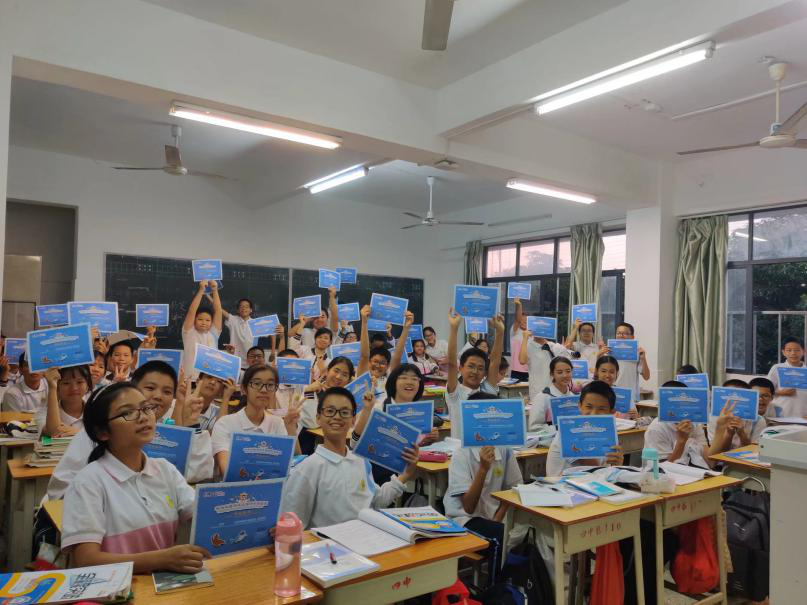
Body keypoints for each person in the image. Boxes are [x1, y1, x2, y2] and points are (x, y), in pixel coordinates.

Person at [60, 382, 211, 572]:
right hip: (118, 587)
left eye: (146, 408)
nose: (144, 417)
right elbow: (86, 560)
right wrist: (163, 560)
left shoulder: (165, 469)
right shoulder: (88, 482)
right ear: (102, 432)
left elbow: (204, 517)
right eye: (127, 413)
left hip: (164, 584)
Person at [46, 361, 202, 501]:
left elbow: (194, 478)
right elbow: (60, 491)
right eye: (150, 388)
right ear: (132, 389)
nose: (158, 396)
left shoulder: (164, 463)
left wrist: (191, 421)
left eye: (167, 392)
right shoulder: (99, 433)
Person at [279, 386, 419, 529]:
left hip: (365, 538)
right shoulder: (307, 469)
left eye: (344, 412)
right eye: (330, 411)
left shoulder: (360, 460)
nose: (337, 417)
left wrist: (405, 475)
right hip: (328, 542)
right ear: (318, 418)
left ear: (353, 420)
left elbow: (376, 500)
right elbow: (292, 526)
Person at [444, 414, 522, 582]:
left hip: (493, 517)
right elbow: (468, 507)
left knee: (525, 532)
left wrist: (498, 517)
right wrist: (483, 469)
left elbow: (512, 489)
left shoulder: (504, 449)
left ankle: (515, 587)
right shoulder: (461, 454)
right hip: (463, 519)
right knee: (500, 537)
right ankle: (494, 590)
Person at [211, 365, 300, 477]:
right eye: (257, 384)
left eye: (270, 385)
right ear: (244, 389)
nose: (264, 390)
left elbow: (294, 462)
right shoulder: (225, 424)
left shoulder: (278, 423)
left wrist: (291, 428)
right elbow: (226, 471)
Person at [445, 310, 504, 438]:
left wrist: (500, 331)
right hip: (460, 448)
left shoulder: (487, 390)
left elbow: (495, 362)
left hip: (486, 446)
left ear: (485, 372)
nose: (475, 371)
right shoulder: (456, 393)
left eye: (480, 368)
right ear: (461, 368)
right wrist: (454, 328)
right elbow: (451, 363)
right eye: (471, 366)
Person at [546, 380, 624, 476]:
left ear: (611, 412)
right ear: (580, 406)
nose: (593, 414)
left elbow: (606, 471)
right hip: (560, 484)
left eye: (601, 409)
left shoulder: (607, 435)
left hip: (588, 482)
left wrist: (617, 465)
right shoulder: (570, 432)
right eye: (589, 407)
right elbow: (595, 471)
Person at [644, 380, 711, 468]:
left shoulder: (695, 423)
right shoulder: (656, 428)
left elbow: (710, 462)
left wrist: (720, 430)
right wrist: (681, 441)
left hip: (693, 470)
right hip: (666, 473)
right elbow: (662, 469)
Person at [708, 379, 766, 455]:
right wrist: (729, 434)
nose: (734, 403)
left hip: (745, 460)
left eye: (739, 398)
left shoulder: (758, 420)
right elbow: (715, 455)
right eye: (729, 398)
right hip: (720, 460)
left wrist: (742, 433)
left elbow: (754, 452)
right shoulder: (714, 418)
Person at [182, 280, 223, 380]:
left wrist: (215, 290)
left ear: (211, 322)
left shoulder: (213, 334)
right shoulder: (189, 332)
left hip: (209, 380)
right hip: (190, 379)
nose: (204, 322)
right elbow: (192, 311)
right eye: (200, 319)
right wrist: (201, 290)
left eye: (207, 320)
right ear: (194, 320)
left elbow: (218, 311)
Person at [602, 322, 650, 403]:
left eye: (625, 333)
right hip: (611, 394)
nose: (621, 336)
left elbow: (646, 377)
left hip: (630, 396)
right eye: (618, 333)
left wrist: (643, 358)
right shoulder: (608, 353)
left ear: (632, 337)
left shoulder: (637, 353)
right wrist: (600, 354)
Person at [518, 326, 569, 402]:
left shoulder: (552, 346)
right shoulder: (529, 346)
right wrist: (525, 338)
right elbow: (522, 361)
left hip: (555, 391)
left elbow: (567, 353)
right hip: (538, 391)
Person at [40, 366, 91, 437]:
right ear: (57, 387)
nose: (74, 388)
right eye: (66, 383)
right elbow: (53, 432)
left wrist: (79, 433)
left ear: (87, 385)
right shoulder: (45, 412)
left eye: (79, 382)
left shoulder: (96, 410)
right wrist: (52, 387)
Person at [766, 336, 807, 417]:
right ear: (783, 352)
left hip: (803, 416)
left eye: (797, 350)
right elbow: (766, 392)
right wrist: (781, 393)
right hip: (780, 415)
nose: (793, 353)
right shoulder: (777, 368)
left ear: (804, 351)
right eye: (789, 350)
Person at [528, 356, 574, 429]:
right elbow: (534, 427)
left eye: (568, 371)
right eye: (560, 372)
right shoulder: (542, 398)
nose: (565, 375)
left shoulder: (573, 397)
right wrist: (555, 429)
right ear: (552, 374)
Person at [592, 355, 639, 420]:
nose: (607, 375)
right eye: (603, 371)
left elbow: (634, 417)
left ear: (617, 373)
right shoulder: (590, 392)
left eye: (611, 372)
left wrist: (635, 416)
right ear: (597, 372)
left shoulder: (624, 394)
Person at [219, 298, 256, 369]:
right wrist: (208, 296)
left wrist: (273, 351)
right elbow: (218, 309)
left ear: (251, 310)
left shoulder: (255, 323)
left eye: (246, 306)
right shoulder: (233, 320)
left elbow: (272, 332)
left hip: (251, 362)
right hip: (235, 362)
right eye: (241, 306)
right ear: (238, 310)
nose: (244, 308)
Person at [508, 299, 530, 382]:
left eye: (526, 322)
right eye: (522, 321)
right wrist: (519, 305)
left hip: (529, 370)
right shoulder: (515, 331)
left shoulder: (532, 334)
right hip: (516, 371)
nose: (524, 323)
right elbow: (517, 319)